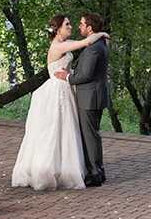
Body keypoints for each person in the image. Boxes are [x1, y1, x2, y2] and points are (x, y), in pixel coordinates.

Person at [11, 14, 109, 190]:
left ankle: (74, 166)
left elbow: (86, 43)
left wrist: (100, 34)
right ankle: (54, 168)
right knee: (55, 129)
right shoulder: (58, 46)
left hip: (67, 89)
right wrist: (102, 34)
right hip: (57, 89)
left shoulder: (66, 42)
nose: (71, 26)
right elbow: (86, 42)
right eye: (68, 24)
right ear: (58, 29)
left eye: (74, 24)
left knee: (69, 130)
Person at [54, 11, 110, 187]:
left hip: (90, 96)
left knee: (90, 135)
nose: (79, 26)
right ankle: (98, 171)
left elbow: (85, 75)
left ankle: (95, 174)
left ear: (89, 28)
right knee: (94, 134)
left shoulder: (92, 48)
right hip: (96, 93)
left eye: (82, 24)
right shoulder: (101, 43)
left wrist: (68, 78)